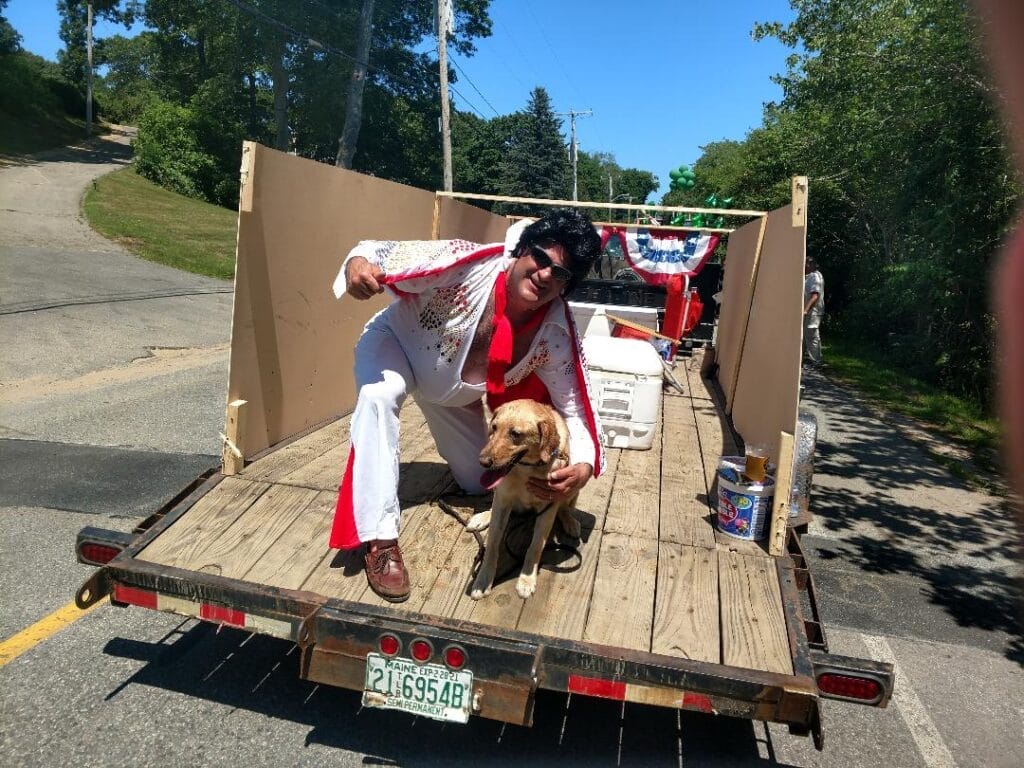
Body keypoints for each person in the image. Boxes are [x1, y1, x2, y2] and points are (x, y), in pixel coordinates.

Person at [329, 209, 606, 602]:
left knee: (480, 480)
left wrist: (584, 464)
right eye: (541, 258)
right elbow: (375, 251)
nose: (545, 274)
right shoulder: (466, 262)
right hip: (398, 349)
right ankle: (380, 540)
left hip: (453, 394)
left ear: (566, 286)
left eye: (560, 273)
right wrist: (358, 265)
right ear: (522, 250)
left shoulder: (556, 332)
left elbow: (575, 405)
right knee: (380, 395)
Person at [803, 257, 825, 367]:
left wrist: (805, 310)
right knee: (805, 336)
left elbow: (815, 296)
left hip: (812, 312)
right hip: (810, 312)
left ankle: (816, 362)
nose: (804, 266)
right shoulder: (809, 276)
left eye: (806, 264)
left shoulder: (815, 276)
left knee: (812, 336)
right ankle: (804, 360)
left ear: (811, 264)